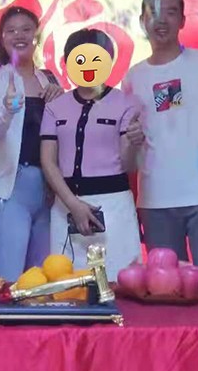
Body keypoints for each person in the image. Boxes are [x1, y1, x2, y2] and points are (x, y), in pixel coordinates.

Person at [122, 0, 198, 283]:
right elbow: (130, 140)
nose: (162, 21)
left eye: (170, 13)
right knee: (165, 288)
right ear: (142, 22)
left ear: (183, 20)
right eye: (154, 14)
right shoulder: (133, 77)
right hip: (155, 199)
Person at [40, 29, 144, 280]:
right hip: (66, 205)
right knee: (67, 284)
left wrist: (133, 142)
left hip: (114, 205)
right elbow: (48, 161)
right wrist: (73, 204)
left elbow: (128, 164)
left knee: (118, 280)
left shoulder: (126, 103)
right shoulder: (55, 107)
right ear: (67, 63)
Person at [0, 6, 62, 281]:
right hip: (10, 189)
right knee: (8, 280)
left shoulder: (49, 79)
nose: (19, 35)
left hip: (48, 190)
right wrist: (6, 107)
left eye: (26, 29)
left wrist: (63, 102)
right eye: (11, 30)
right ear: (2, 39)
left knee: (42, 280)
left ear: (36, 36)